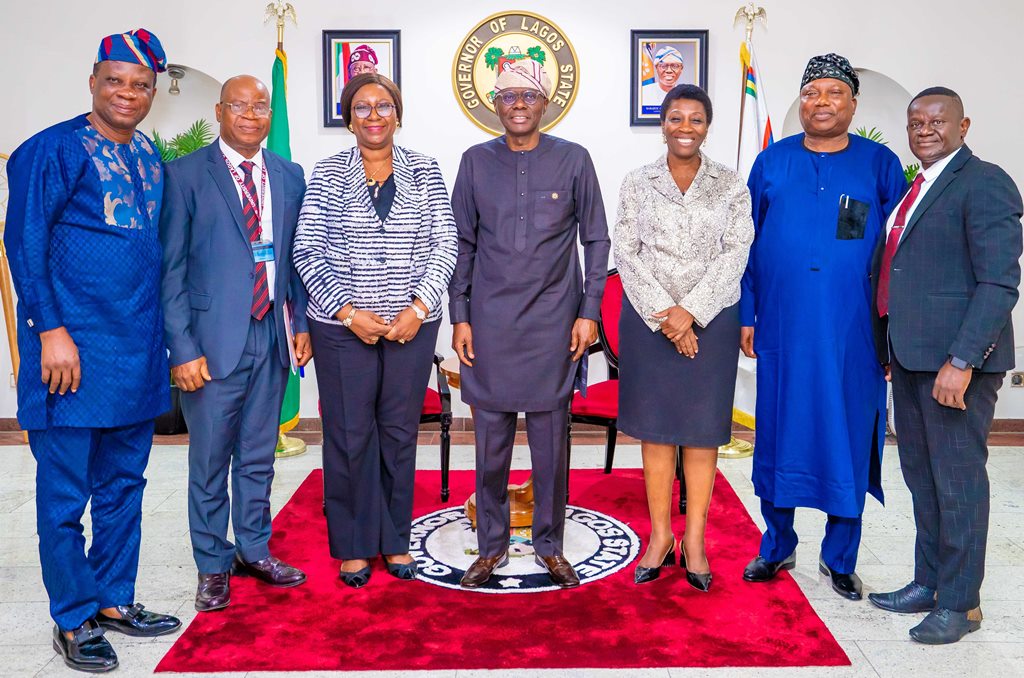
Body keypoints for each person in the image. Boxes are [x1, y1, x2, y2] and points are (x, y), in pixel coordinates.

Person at [3, 28, 181, 673]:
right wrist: (50, 331)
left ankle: (114, 601)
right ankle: (73, 617)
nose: (127, 94)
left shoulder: (149, 154)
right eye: (116, 80)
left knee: (123, 488)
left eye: (140, 85)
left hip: (134, 352)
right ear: (93, 83)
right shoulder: (49, 150)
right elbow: (23, 244)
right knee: (64, 495)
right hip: (69, 354)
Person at [739, 53, 906, 600]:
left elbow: (900, 249)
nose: (822, 102)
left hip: (852, 331)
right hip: (782, 328)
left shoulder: (879, 164)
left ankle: (840, 558)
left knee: (846, 434)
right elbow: (743, 246)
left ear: (853, 103)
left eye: (834, 92)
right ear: (801, 102)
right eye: (812, 92)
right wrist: (747, 314)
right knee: (780, 431)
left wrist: (892, 329)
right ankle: (777, 544)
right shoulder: (771, 162)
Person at [868, 88, 1023, 644]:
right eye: (916, 121)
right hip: (911, 361)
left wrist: (961, 361)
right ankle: (929, 582)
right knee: (924, 479)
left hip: (954, 367)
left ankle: (962, 603)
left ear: (964, 125)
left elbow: (999, 282)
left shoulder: (984, 182)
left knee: (957, 483)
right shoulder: (920, 187)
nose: (925, 129)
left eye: (938, 120)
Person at [449, 59, 611, 589]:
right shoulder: (475, 162)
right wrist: (461, 317)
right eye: (508, 95)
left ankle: (549, 544)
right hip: (490, 326)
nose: (518, 103)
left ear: (546, 102)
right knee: (490, 445)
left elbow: (596, 241)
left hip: (553, 325)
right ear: (494, 105)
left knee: (550, 446)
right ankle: (491, 547)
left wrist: (589, 312)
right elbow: (462, 246)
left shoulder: (575, 160)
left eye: (529, 95)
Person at [293, 73, 458, 588]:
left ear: (397, 114)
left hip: (412, 325)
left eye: (382, 106)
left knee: (398, 433)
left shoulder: (426, 171)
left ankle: (395, 540)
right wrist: (345, 312)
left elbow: (445, 244)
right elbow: (307, 249)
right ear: (348, 118)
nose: (373, 115)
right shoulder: (324, 174)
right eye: (362, 107)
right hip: (342, 327)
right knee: (348, 435)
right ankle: (354, 544)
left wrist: (421, 305)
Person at [159, 75, 312, 612]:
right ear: (221, 111)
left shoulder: (289, 175)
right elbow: (171, 270)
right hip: (210, 342)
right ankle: (211, 563)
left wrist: (301, 327)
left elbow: (293, 259)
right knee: (209, 461)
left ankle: (253, 549)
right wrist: (181, 348)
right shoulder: (183, 174)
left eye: (260, 106)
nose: (251, 114)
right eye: (240, 105)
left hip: (271, 334)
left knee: (256, 456)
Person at [615, 84, 753, 590]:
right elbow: (626, 253)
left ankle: (693, 540)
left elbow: (736, 252)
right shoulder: (637, 181)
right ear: (663, 124)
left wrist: (691, 313)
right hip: (649, 321)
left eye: (696, 119)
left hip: (711, 321)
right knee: (655, 433)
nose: (686, 127)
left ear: (707, 126)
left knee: (700, 434)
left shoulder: (730, 185)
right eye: (676, 118)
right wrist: (667, 316)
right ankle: (659, 538)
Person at [642, 46, 684, 113]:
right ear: (656, 68)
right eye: (663, 66)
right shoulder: (643, 93)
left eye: (675, 66)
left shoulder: (686, 96)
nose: (669, 70)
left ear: (681, 69)